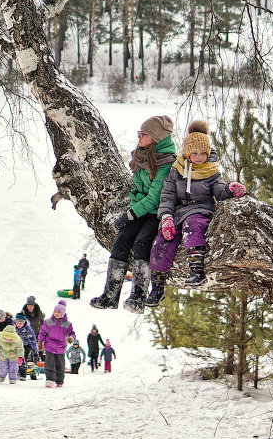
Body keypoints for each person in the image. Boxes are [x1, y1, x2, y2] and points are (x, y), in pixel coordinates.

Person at [146, 120, 245, 303]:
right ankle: (157, 286)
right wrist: (166, 217)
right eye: (195, 153)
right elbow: (167, 195)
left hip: (200, 211)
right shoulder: (176, 171)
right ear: (187, 153)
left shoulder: (212, 171)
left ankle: (196, 270)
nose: (199, 157)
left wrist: (231, 189)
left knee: (193, 227)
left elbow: (220, 193)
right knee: (162, 239)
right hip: (177, 213)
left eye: (203, 153)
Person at [92, 115, 176, 312]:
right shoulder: (142, 156)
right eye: (139, 133)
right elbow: (138, 191)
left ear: (155, 137)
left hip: (159, 212)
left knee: (141, 243)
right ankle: (110, 295)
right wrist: (133, 211)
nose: (139, 137)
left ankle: (138, 297)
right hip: (142, 209)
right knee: (121, 240)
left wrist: (130, 214)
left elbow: (155, 198)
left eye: (143, 133)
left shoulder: (166, 163)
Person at [37, 299, 76, 388]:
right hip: (49, 345)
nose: (56, 313)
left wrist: (71, 338)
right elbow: (42, 332)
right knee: (49, 363)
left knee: (60, 364)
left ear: (63, 313)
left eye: (59, 312)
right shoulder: (48, 321)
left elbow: (72, 333)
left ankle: (59, 380)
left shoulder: (68, 324)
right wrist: (40, 341)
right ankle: (50, 380)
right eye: (55, 311)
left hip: (61, 347)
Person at [13, 313, 39, 381]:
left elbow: (32, 340)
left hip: (25, 346)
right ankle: (15, 372)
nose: (18, 324)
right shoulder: (12, 327)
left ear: (24, 322)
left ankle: (22, 374)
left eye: (20, 323)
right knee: (14, 359)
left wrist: (34, 350)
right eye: (17, 323)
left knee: (23, 359)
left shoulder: (28, 329)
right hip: (15, 346)